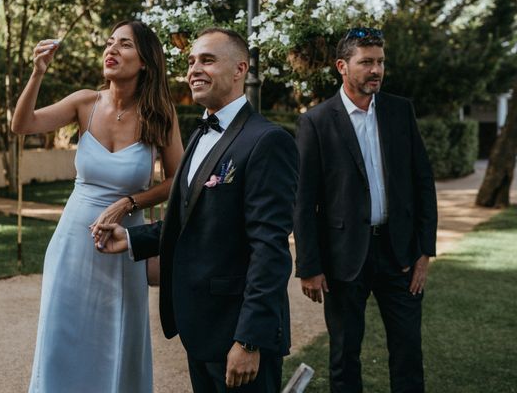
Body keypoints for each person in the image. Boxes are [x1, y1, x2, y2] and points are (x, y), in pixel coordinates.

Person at [93, 27, 298, 392]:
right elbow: (191, 220)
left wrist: (249, 340)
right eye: (191, 62)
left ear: (239, 70)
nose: (194, 70)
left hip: (237, 332)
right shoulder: (200, 134)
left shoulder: (268, 141)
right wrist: (131, 238)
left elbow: (270, 250)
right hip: (199, 327)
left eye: (207, 60)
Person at [11, 20, 183, 393]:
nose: (112, 50)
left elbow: (178, 181)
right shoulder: (83, 102)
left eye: (125, 45)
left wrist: (129, 202)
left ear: (146, 62)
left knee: (116, 337)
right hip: (73, 241)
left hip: (123, 244)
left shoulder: (160, 113)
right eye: (109, 43)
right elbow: (22, 124)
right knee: (64, 333)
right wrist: (37, 73)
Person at [293, 27, 438, 393]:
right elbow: (302, 200)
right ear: (343, 66)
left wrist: (425, 252)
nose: (376, 70)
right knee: (344, 354)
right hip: (344, 258)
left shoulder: (399, 111)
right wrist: (309, 266)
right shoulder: (316, 121)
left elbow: (423, 182)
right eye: (367, 62)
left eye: (380, 62)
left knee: (408, 352)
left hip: (399, 253)